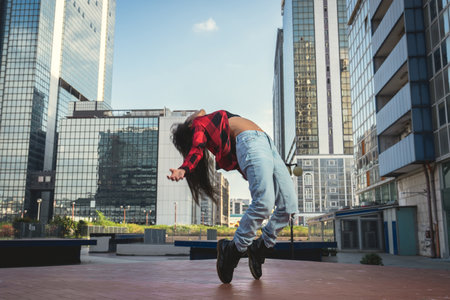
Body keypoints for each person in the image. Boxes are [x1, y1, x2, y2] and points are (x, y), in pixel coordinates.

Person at [168, 109, 298, 284]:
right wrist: (185, 168)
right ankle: (232, 249)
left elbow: (202, 113)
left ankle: (261, 247)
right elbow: (197, 149)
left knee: (288, 206)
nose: (195, 113)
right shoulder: (198, 125)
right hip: (251, 141)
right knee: (264, 203)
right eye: (189, 118)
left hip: (268, 145)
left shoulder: (215, 125)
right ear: (191, 125)